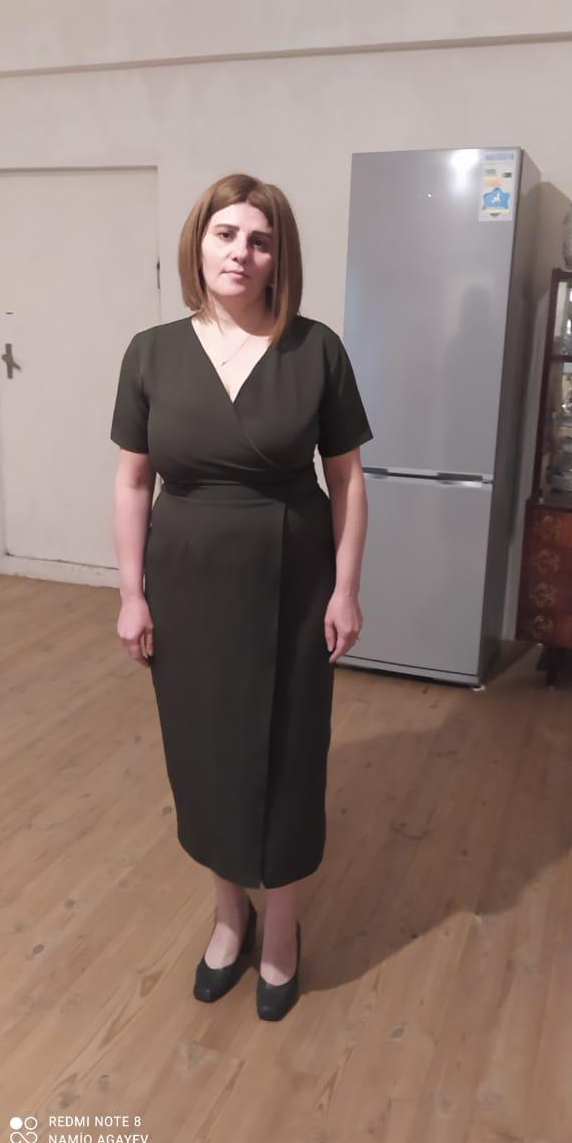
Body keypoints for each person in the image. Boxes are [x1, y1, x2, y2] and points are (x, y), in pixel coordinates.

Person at [110, 172, 373, 1020]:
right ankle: (231, 914)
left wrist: (346, 588)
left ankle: (282, 929)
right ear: (199, 242)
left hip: (294, 581)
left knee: (291, 755)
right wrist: (131, 594)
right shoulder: (151, 352)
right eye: (225, 233)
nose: (240, 252)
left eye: (259, 240)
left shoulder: (316, 349)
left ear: (277, 258)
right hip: (186, 587)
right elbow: (133, 482)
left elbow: (347, 478)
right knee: (206, 753)